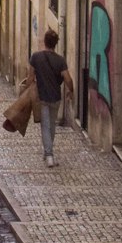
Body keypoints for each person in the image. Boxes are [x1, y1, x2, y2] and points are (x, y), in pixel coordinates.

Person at [28, 29, 75, 167]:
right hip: (56, 97)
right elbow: (68, 79)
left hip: (42, 97)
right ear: (55, 44)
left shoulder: (35, 57)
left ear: (44, 41)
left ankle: (49, 155)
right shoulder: (60, 60)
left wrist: (25, 92)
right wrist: (70, 91)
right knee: (51, 125)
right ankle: (47, 152)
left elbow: (30, 77)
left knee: (45, 126)